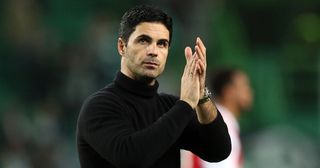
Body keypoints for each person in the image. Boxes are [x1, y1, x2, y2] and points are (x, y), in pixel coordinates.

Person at [76, 5, 231, 168]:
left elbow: (219, 150)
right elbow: (131, 158)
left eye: (162, 44)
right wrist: (185, 105)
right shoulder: (99, 106)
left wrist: (201, 96)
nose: (153, 51)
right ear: (122, 47)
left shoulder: (170, 107)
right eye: (144, 40)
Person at [184, 68, 253, 168]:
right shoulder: (223, 124)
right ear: (229, 91)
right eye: (244, 86)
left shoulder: (218, 120)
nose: (249, 91)